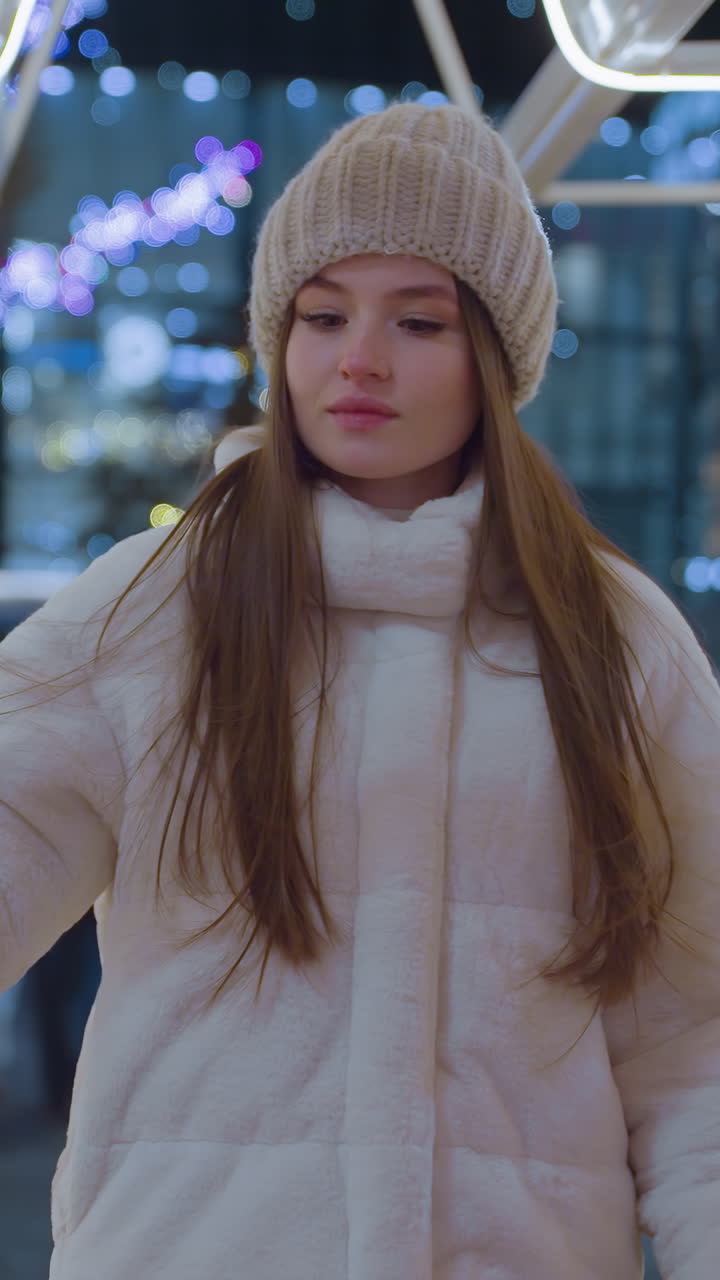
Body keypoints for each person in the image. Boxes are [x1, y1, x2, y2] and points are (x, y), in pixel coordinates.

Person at [0, 101, 718, 1280]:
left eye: (419, 319)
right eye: (322, 314)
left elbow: (699, 1041)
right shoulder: (154, 607)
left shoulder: (614, 640)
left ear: (496, 353)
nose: (359, 359)